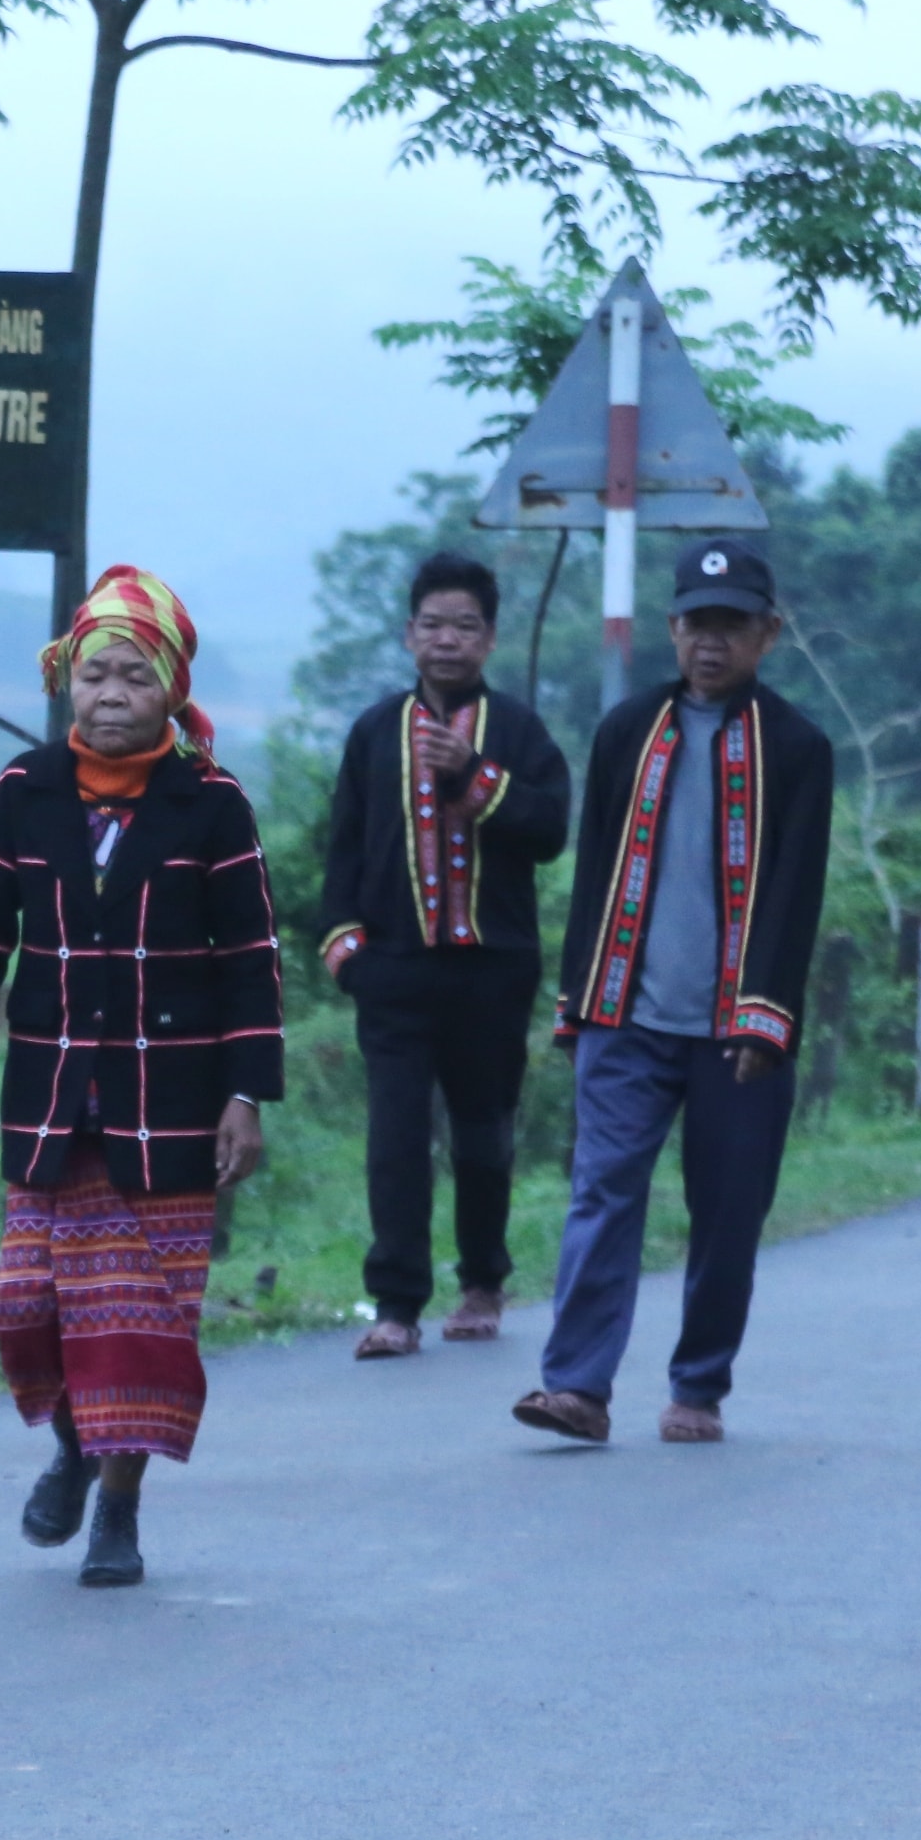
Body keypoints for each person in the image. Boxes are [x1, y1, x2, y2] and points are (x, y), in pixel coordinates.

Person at [0, 566, 283, 1587]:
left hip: (167, 1108)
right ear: (64, 684)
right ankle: (76, 1441)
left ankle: (117, 1507)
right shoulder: (22, 793)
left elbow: (251, 961)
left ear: (169, 690)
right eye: (93, 674)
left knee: (137, 1321)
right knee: (28, 1306)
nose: (110, 693)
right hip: (49, 1104)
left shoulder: (210, 804)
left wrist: (245, 1094)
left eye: (133, 675)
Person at [515, 536, 832, 1447]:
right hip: (625, 1013)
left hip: (736, 1028)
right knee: (601, 1190)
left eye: (731, 626)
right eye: (697, 623)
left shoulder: (797, 747)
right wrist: (578, 996)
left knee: (727, 1209)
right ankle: (574, 1386)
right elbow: (595, 878)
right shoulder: (627, 731)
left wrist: (764, 1017)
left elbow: (793, 892)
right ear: (671, 627)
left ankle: (697, 1384)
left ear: (767, 634)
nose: (710, 642)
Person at [316, 552, 573, 1357]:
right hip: (394, 969)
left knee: (481, 1134)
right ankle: (395, 1304)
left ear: (489, 638)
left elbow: (549, 831)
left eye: (464, 625)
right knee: (394, 1137)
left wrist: (475, 777)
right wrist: (347, 950)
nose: (447, 640)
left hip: (492, 969)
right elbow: (344, 850)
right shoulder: (372, 731)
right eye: (432, 624)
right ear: (408, 634)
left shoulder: (520, 730)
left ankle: (483, 1281)